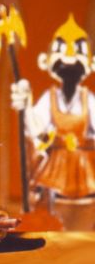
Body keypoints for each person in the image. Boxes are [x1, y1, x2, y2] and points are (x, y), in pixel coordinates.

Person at [11, 14, 95, 205]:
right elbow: (37, 131)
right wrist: (26, 105)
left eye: (78, 52)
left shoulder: (88, 100)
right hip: (55, 171)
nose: (69, 57)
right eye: (61, 50)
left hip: (85, 172)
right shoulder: (49, 99)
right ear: (45, 61)